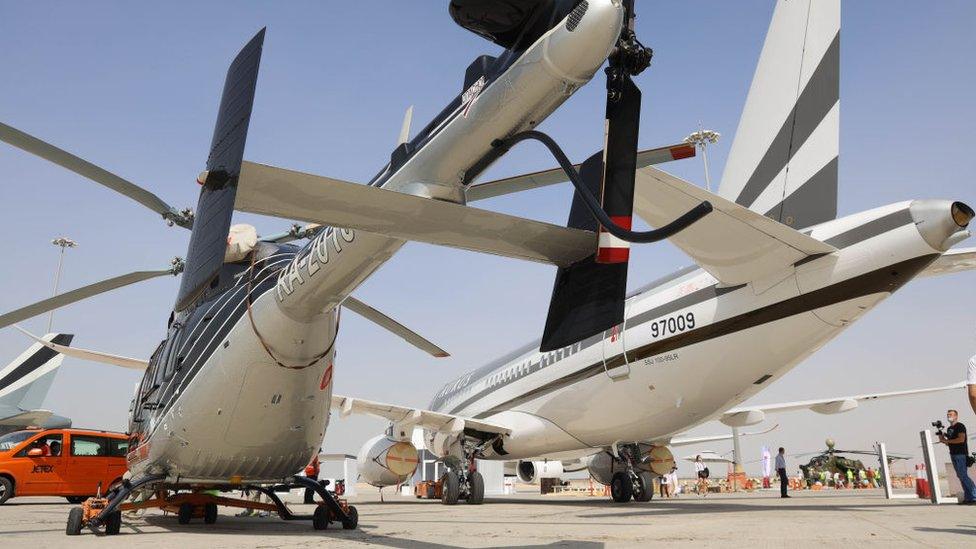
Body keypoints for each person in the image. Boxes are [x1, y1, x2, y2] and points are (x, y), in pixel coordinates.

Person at [938, 409, 976, 504]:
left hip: (960, 454)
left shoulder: (960, 426)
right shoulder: (949, 429)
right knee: (960, 476)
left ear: (956, 416)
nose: (949, 416)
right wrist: (942, 438)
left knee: (963, 475)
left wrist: (947, 441)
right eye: (948, 415)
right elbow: (949, 443)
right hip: (953, 454)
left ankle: (974, 496)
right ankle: (968, 498)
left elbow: (961, 439)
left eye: (950, 414)